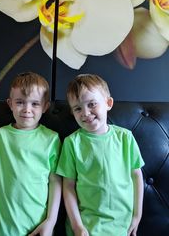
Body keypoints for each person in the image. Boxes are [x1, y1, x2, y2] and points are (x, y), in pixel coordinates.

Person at [56, 74, 144, 236]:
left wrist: (137, 216)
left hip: (122, 225)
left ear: (108, 103)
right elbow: (68, 186)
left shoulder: (125, 137)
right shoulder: (72, 143)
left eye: (92, 104)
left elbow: (136, 176)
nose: (86, 113)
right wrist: (77, 227)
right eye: (78, 108)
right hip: (87, 226)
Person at [0, 72, 61, 236]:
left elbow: (55, 180)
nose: (27, 109)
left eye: (35, 103)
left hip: (34, 224)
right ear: (10, 104)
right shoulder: (0, 136)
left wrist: (50, 221)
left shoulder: (51, 139)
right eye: (20, 102)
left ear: (45, 107)